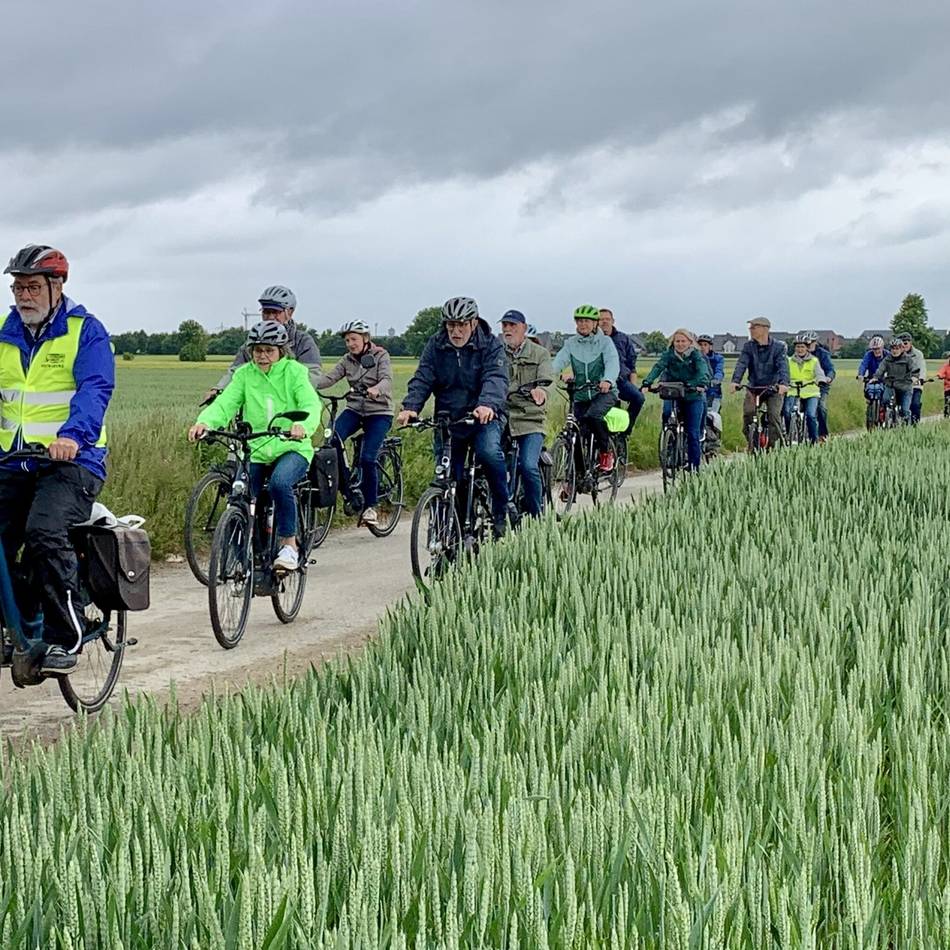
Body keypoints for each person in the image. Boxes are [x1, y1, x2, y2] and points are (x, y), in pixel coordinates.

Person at [0, 245, 115, 674]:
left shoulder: (86, 332)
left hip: (72, 461)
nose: (22, 296)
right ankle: (19, 616)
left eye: (31, 287)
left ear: (57, 286)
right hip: (13, 460)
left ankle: (64, 635)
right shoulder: (3, 333)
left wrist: (71, 435)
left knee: (44, 531)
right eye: (17, 287)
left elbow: (95, 389)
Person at [189, 321, 321, 572]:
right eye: (258, 350)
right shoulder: (244, 375)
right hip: (257, 447)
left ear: (281, 351)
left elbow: (310, 405)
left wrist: (302, 426)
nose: (262, 356)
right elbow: (225, 403)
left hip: (291, 447)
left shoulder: (294, 372)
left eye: (269, 350)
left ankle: (289, 546)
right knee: (240, 494)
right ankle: (242, 557)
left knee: (280, 483)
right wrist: (204, 422)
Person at [396, 297, 510, 538]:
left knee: (489, 453)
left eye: (461, 325)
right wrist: (411, 406)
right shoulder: (436, 345)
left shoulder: (490, 344)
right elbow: (423, 377)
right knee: (447, 476)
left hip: (483, 417)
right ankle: (450, 539)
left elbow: (496, 378)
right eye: (450, 326)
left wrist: (487, 404)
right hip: (449, 418)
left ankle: (501, 509)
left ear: (474, 322)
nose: (455, 332)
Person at [315, 320, 393, 528]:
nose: (350, 343)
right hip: (355, 409)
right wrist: (305, 384)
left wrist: (377, 389)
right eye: (347, 340)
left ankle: (371, 506)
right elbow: (330, 378)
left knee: (368, 458)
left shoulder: (380, 356)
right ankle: (348, 489)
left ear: (365, 339)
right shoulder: (347, 360)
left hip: (379, 412)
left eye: (354, 339)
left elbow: (387, 379)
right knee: (331, 442)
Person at [202, 285, 321, 402]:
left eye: (275, 312)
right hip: (257, 402)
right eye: (266, 312)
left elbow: (312, 376)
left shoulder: (303, 341)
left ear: (289, 312)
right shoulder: (252, 342)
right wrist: (219, 389)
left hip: (291, 405)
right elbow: (236, 371)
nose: (270, 317)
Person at [552, 305, 619, 472]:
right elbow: (559, 361)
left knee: (594, 416)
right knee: (576, 433)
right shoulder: (571, 343)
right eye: (579, 321)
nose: (582, 324)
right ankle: (575, 478)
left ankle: (605, 453)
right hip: (580, 393)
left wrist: (608, 380)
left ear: (595, 323)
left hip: (603, 392)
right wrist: (550, 374)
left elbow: (612, 362)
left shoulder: (605, 342)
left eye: (587, 321)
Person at [500, 310, 553, 519]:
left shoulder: (540, 354)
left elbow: (547, 380)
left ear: (523, 327)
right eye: (504, 325)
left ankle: (536, 514)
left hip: (530, 418)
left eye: (512, 325)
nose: (507, 330)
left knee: (528, 465)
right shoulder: (496, 353)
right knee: (490, 462)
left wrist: (541, 391)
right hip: (503, 417)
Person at [641, 329, 711, 470]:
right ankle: (670, 446)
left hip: (692, 395)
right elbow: (658, 367)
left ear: (690, 342)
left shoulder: (696, 356)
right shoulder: (669, 355)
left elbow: (703, 372)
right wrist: (647, 382)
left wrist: (695, 383)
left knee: (692, 433)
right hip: (673, 393)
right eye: (677, 341)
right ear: (673, 342)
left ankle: (694, 467)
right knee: (667, 415)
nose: (680, 344)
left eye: (683, 341)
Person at [729, 317, 789, 448]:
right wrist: (735, 381)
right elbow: (741, 364)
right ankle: (752, 442)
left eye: (754, 327)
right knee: (748, 414)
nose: (750, 330)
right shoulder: (748, 347)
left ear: (765, 329)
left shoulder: (778, 347)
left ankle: (775, 448)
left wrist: (784, 383)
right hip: (754, 387)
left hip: (773, 388)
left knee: (773, 416)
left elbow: (783, 366)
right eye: (750, 327)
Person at [598, 308, 644, 433]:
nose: (604, 322)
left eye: (607, 319)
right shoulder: (593, 339)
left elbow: (631, 364)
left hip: (621, 381)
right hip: (600, 381)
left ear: (613, 321)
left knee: (638, 398)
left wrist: (633, 385)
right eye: (601, 319)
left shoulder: (623, 339)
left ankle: (626, 430)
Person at [783, 334, 828, 444]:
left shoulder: (814, 361)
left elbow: (819, 373)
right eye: (798, 347)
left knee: (811, 415)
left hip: (810, 391)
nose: (800, 349)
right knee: (787, 412)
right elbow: (783, 374)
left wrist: (821, 380)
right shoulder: (789, 361)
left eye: (802, 347)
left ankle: (814, 440)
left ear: (807, 348)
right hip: (793, 390)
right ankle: (790, 434)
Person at [873, 338, 915, 422]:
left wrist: (915, 377)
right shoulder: (887, 359)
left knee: (905, 410)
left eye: (897, 348)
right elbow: (881, 369)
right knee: (884, 400)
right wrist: (876, 377)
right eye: (892, 348)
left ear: (902, 349)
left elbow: (914, 370)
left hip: (905, 386)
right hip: (891, 385)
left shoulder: (908, 359)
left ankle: (907, 427)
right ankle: (885, 419)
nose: (894, 351)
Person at [804, 331, 836, 441]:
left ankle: (822, 434)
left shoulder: (823, 354)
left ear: (815, 342)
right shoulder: (800, 354)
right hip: (804, 386)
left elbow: (830, 369)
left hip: (820, 386)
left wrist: (828, 378)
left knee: (821, 407)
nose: (808, 346)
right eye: (806, 344)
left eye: (810, 343)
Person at [899, 332, 926, 424]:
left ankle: (915, 424)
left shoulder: (918, 354)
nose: (904, 345)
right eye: (902, 343)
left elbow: (922, 368)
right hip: (901, 384)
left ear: (910, 343)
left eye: (906, 343)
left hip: (915, 384)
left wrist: (920, 379)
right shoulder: (896, 354)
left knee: (915, 404)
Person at [697, 334, 724, 412]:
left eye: (705, 345)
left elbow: (719, 371)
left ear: (710, 347)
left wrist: (716, 379)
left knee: (713, 415)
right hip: (698, 390)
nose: (702, 347)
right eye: (700, 345)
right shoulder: (694, 358)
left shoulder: (717, 358)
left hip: (713, 391)